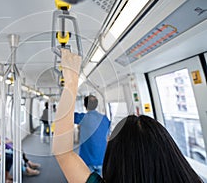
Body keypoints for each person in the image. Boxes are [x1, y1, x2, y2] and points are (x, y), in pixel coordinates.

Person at [52, 49, 203, 183]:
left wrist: (71, 82)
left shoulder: (83, 117)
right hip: (99, 159)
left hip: (89, 160)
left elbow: (63, 150)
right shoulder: (105, 119)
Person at [74, 95, 110, 175]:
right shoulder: (105, 119)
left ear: (85, 105)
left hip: (87, 160)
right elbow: (107, 136)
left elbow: (69, 116)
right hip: (102, 159)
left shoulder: (83, 118)